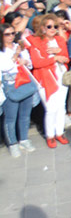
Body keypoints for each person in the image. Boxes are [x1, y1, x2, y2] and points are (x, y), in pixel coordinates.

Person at [27, 14, 70, 148]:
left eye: (55, 26)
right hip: (45, 78)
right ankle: (50, 135)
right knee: (51, 108)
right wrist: (55, 58)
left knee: (61, 106)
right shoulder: (36, 42)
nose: (53, 29)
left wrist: (59, 53)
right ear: (43, 28)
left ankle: (60, 132)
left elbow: (66, 58)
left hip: (61, 76)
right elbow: (36, 62)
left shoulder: (60, 40)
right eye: (49, 26)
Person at [1, 23, 36, 157]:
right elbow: (5, 67)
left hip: (24, 82)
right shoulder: (2, 51)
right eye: (7, 34)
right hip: (10, 84)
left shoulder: (18, 46)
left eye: (13, 33)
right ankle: (13, 143)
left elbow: (29, 61)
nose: (11, 37)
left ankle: (24, 139)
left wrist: (25, 61)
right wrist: (16, 56)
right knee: (11, 117)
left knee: (25, 115)